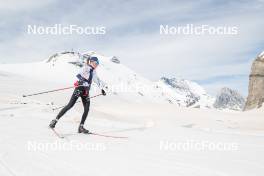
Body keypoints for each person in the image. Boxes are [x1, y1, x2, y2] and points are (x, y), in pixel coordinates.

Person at [49, 56, 107, 133]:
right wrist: (84, 81)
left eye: (98, 64)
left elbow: (97, 80)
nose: (96, 65)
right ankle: (54, 121)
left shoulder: (94, 72)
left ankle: (81, 127)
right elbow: (78, 75)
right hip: (79, 89)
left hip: (86, 92)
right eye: (95, 63)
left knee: (87, 108)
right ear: (91, 62)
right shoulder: (85, 68)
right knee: (70, 105)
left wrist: (102, 89)